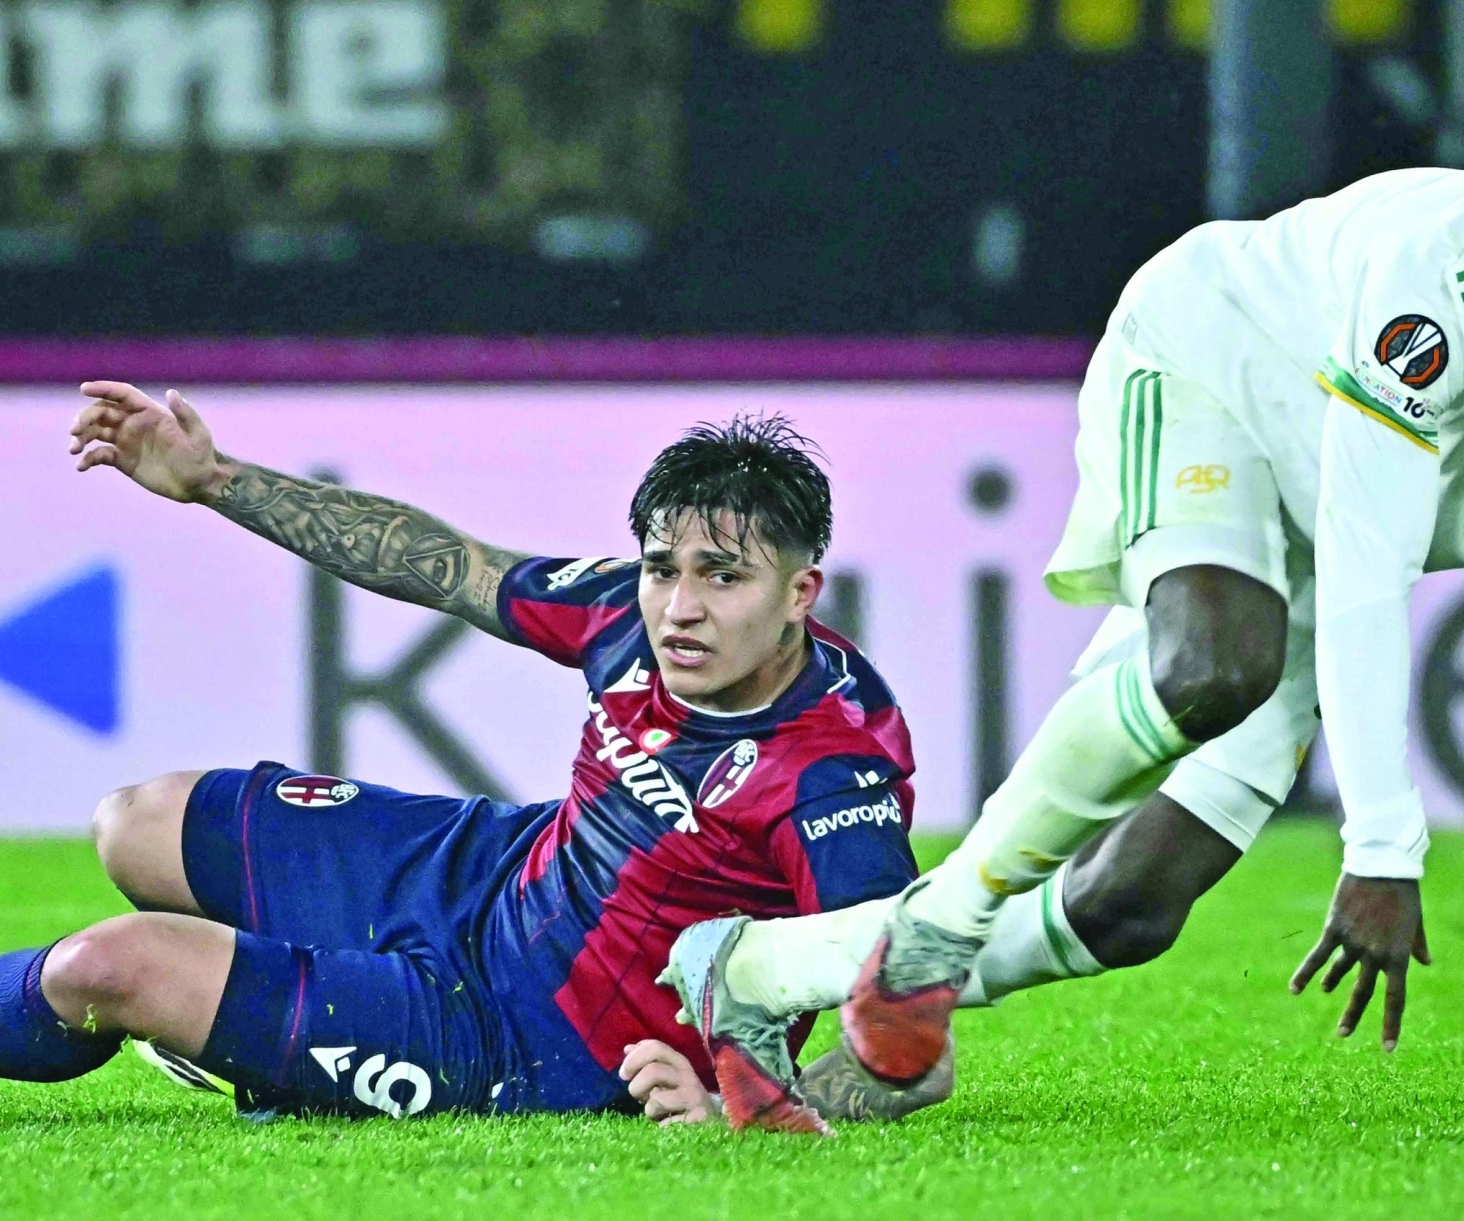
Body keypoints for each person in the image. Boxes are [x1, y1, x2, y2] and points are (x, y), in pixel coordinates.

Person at [660, 84, 1464, 1140]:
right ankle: (933, 939)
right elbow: (1370, 567)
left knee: (1131, 908)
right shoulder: (1446, 283)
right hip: (1210, 370)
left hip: (1319, 508)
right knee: (1216, 662)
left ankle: (756, 971)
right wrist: (1383, 847)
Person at [0, 392, 913, 1133]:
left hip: (521, 1038)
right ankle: (255, 1026)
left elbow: (915, 1047)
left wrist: (739, 1106)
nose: (679, 606)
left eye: (723, 576)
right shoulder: (624, 615)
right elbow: (433, 564)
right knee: (135, 823)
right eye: (662, 566)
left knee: (105, 968)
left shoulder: (830, 780)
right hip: (487, 874)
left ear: (800, 592)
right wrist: (212, 478)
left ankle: (254, 1024)